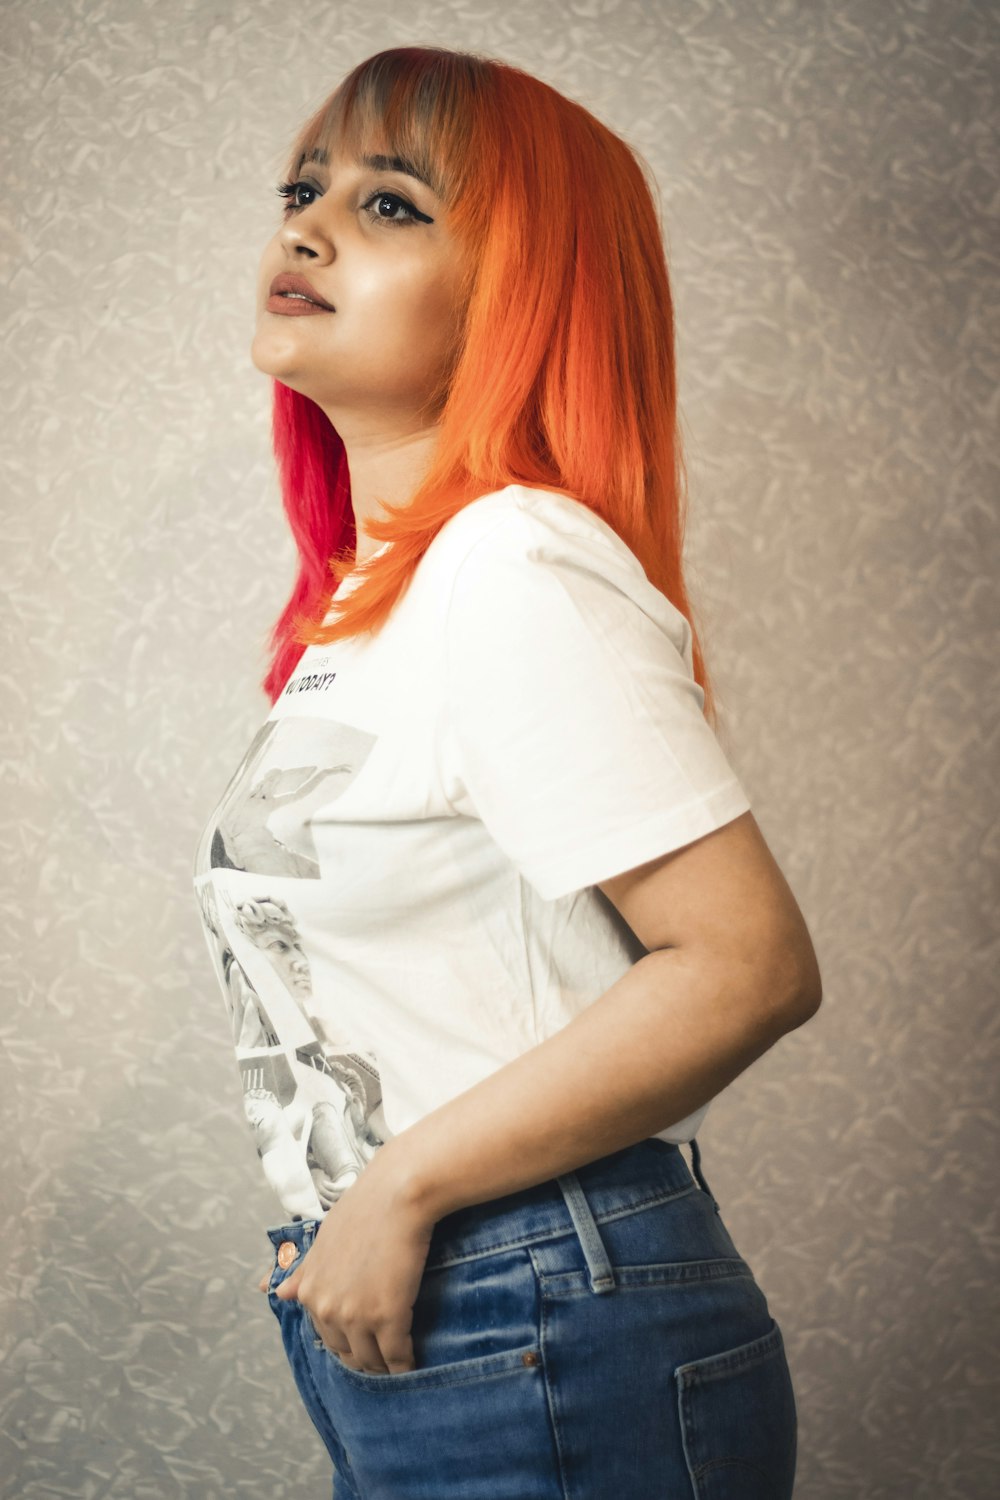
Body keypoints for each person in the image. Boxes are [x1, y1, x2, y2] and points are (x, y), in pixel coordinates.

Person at [191, 43, 822, 1499]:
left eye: (393, 202)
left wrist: (400, 1186)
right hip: (445, 1301)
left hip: (532, 1291)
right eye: (305, 186)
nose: (305, 223)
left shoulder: (512, 556)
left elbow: (746, 965)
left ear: (525, 291)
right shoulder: (371, 611)